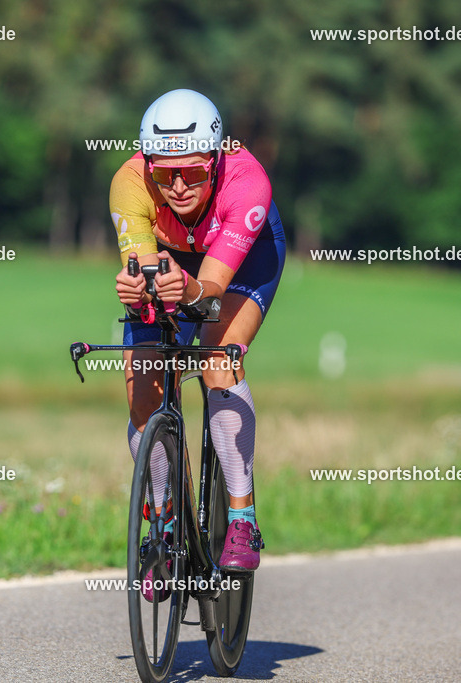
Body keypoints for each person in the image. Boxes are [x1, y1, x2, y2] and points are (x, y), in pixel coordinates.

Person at [111, 89, 287, 577]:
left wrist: (188, 289)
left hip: (243, 263)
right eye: (166, 175)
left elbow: (208, 296)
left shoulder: (247, 182)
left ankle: (241, 516)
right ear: (149, 165)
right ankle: (164, 522)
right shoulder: (128, 184)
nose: (180, 186)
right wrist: (137, 291)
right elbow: (148, 278)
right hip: (176, 262)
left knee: (217, 360)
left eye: (192, 171)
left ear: (215, 157)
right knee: (142, 384)